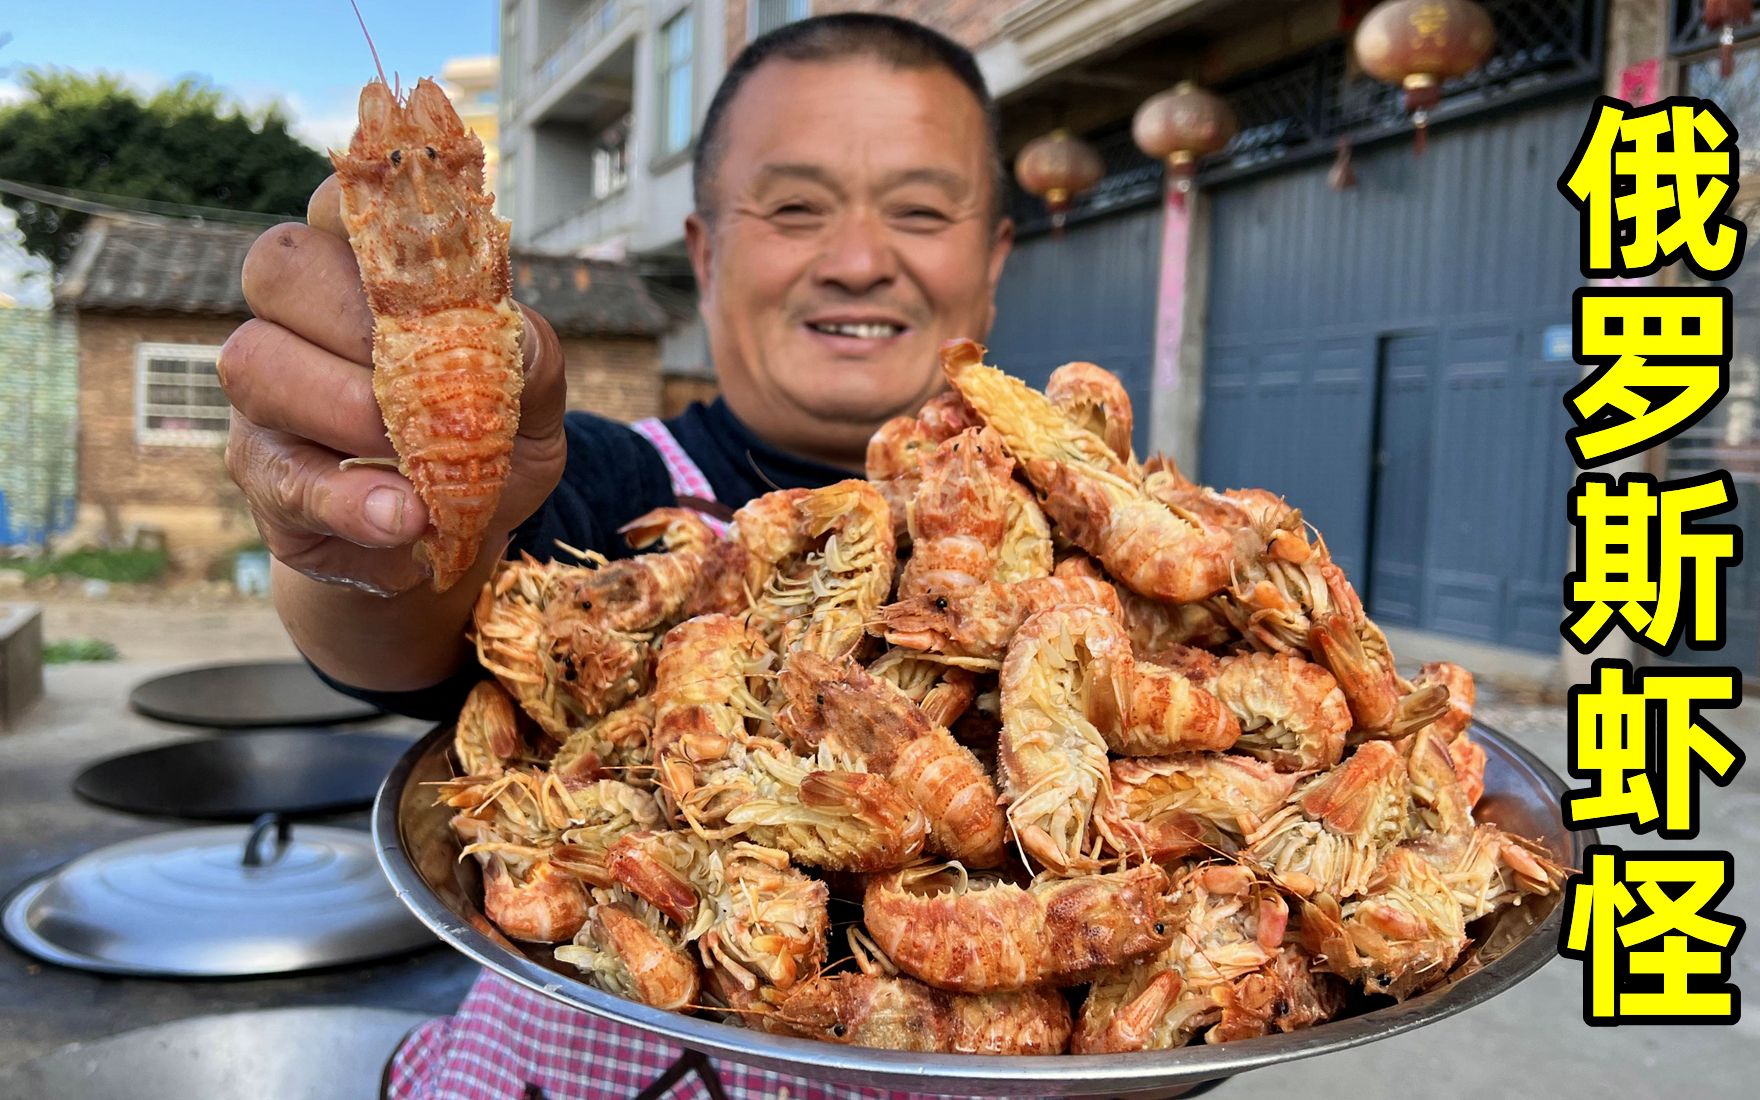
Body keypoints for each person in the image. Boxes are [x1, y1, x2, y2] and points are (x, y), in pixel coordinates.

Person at [223, 13, 1014, 1099]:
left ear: (995, 255)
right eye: (793, 206)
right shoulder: (593, 485)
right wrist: (363, 519)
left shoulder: (1054, 516)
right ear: (701, 249)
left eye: (920, 210)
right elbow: (398, 620)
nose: (860, 259)